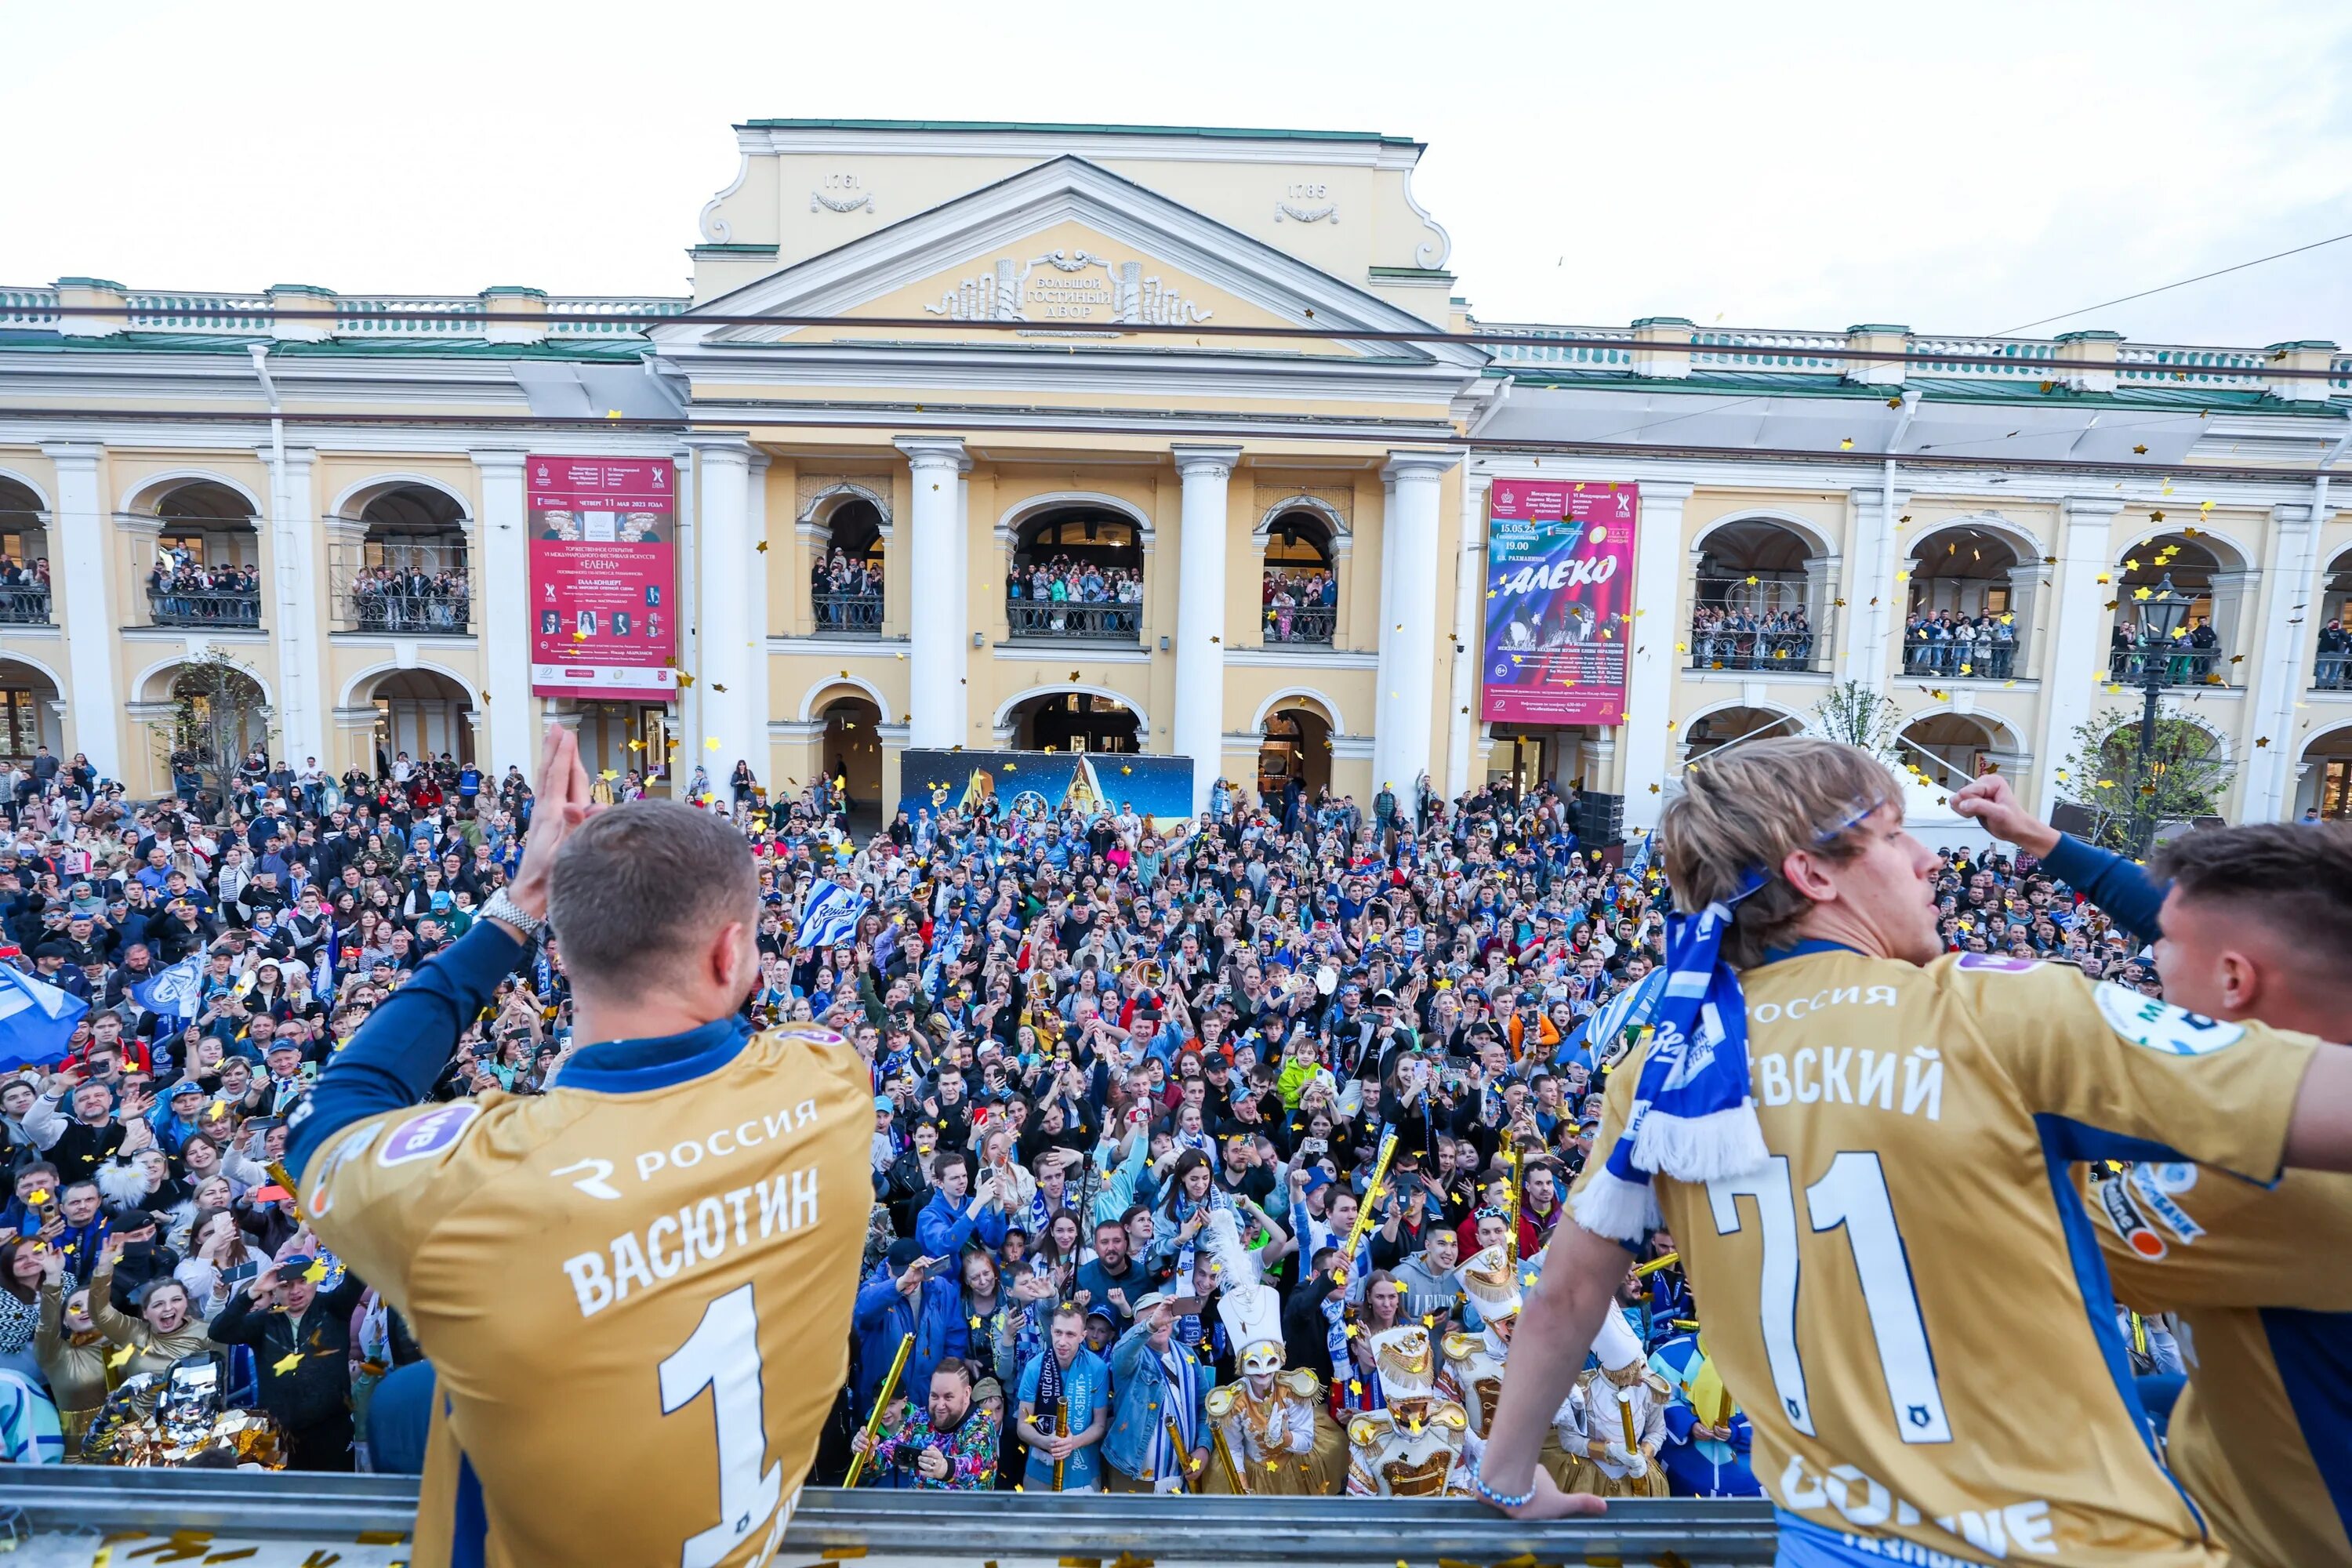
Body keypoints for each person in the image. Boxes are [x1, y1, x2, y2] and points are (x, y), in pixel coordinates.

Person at [1475, 736, 2352, 1568]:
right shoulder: (1994, 1009)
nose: (1935, 860)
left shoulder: (1664, 1066)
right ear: (1813, 873)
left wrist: (1505, 1475)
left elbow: (1567, 1292)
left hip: (1829, 1541)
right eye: (1897, 838)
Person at [285, 730, 870, 1566]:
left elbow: (333, 1111)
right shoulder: (830, 1082)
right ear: (733, 950)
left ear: (559, 953)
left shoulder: (474, 1183)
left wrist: (516, 908)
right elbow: (743, 1041)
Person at [1954, 771, 2352, 1568]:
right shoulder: (2315, 1037)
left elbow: (2033, 1240)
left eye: (2158, 950)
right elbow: (2210, 935)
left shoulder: (2277, 1178)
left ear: (2235, 982)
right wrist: (2042, 840)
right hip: (2242, 1436)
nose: (2145, 961)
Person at [848, 1356, 999, 1490]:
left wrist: (945, 1467)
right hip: (920, 1514)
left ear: (966, 1394)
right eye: (934, 1396)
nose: (940, 1405)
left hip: (966, 1516)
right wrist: (868, 1455)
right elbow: (887, 1454)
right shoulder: (919, 1419)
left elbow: (973, 1465)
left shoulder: (981, 1425)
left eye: (948, 1397)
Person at [1014, 1302, 1110, 1493]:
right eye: (1058, 1333)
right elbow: (1023, 1426)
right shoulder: (1035, 1367)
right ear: (1050, 1330)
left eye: (1070, 1334)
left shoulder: (1098, 1368)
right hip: (1040, 1472)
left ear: (1083, 1336)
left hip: (1083, 1472)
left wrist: (1072, 1443)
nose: (1062, 1342)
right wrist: (1046, 1443)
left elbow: (1100, 1425)